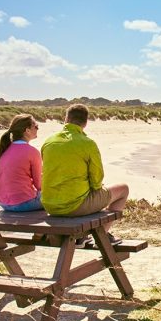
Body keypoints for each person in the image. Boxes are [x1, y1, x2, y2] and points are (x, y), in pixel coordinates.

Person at [41, 104, 128, 245]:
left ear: (66, 119)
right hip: (74, 206)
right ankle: (103, 236)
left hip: (50, 205)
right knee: (123, 189)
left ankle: (83, 236)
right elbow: (97, 181)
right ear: (85, 123)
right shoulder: (88, 144)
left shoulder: (49, 142)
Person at [0, 114, 43, 212]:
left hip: (4, 203)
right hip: (24, 203)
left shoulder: (5, 149)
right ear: (27, 130)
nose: (38, 129)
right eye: (36, 126)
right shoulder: (32, 152)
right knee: (57, 198)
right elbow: (38, 184)